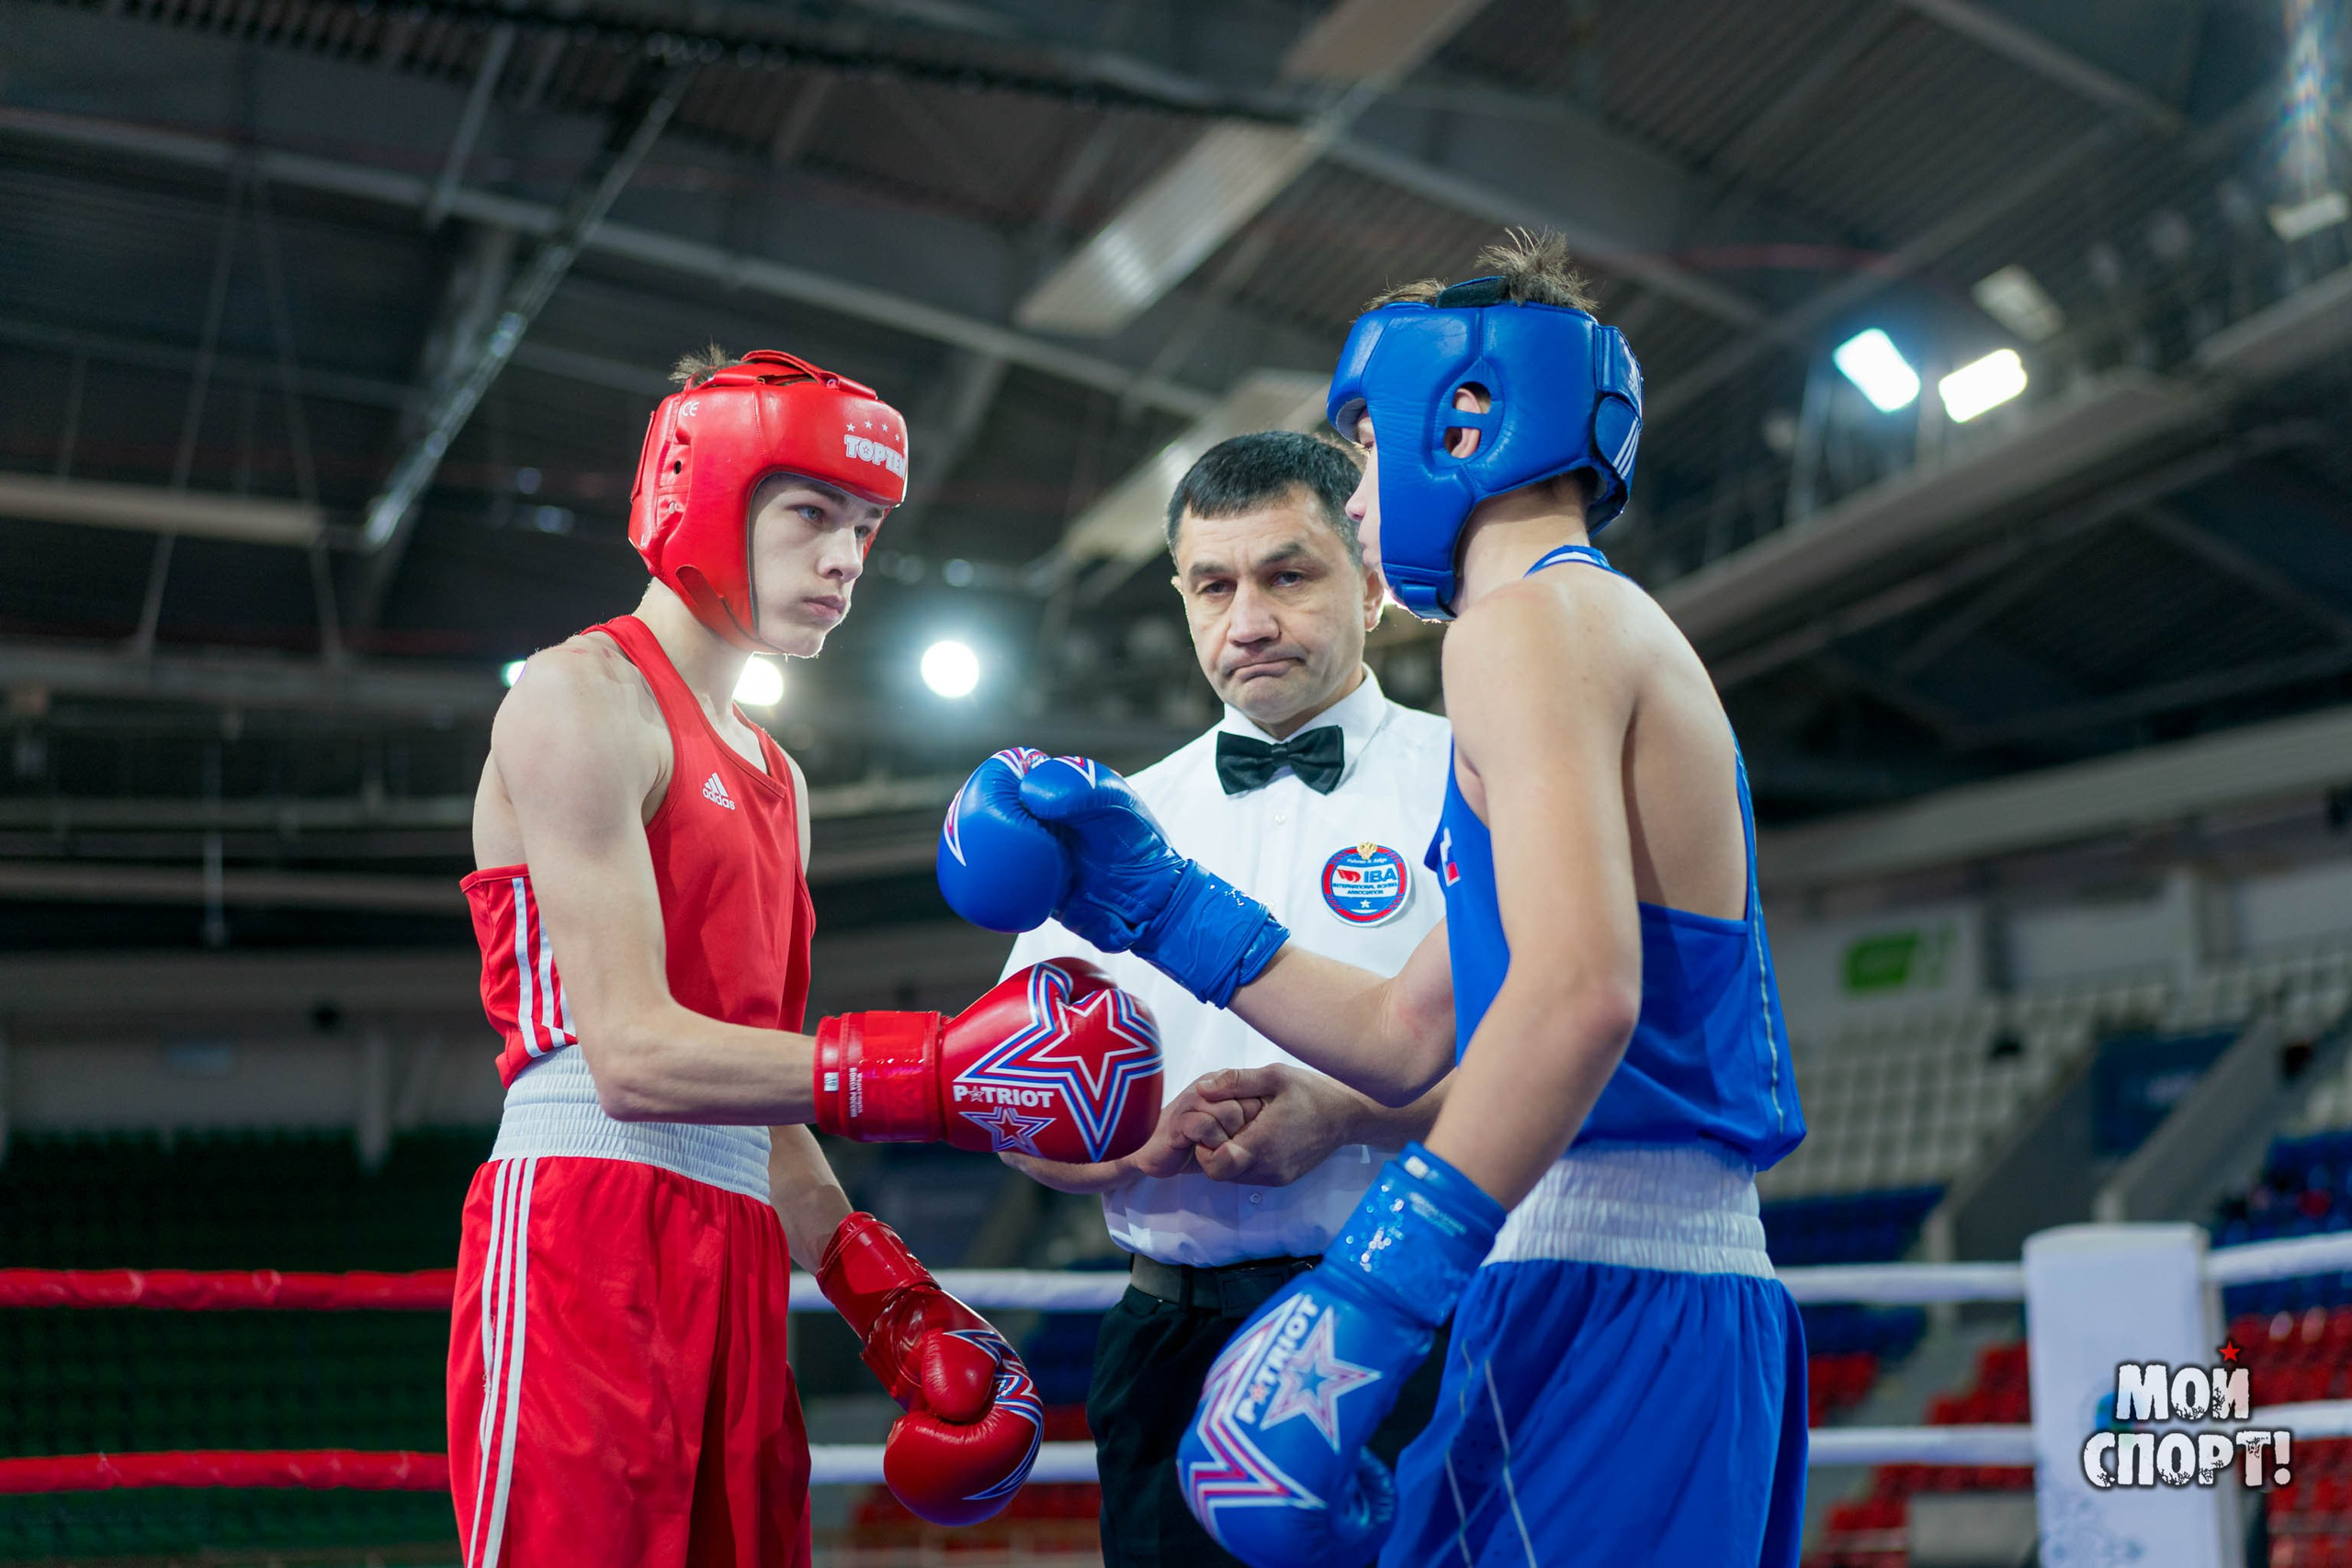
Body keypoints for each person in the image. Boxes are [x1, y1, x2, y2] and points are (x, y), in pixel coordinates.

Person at [939, 232, 1810, 1567]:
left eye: (1361, 439)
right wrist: (1159, 900)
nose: (1356, 496)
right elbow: (1413, 1028)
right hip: (1625, 1270)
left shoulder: (1523, 626)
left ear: (1462, 414)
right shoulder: (1580, 625)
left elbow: (1582, 995)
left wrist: (1371, 1282)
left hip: (1607, 1265)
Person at [449, 347, 1170, 1568]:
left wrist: (888, 1300)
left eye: (867, 526)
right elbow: (630, 1054)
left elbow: (775, 1107)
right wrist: (938, 1070)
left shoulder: (781, 777)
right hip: (586, 1226)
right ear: (705, 492)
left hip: (735, 1248)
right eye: (811, 514)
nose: (845, 558)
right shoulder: (582, 697)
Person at [981, 432, 1453, 1568]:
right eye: (1213, 585)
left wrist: (1350, 1115)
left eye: (1287, 575)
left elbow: (1573, 1057)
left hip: (1414, 1319)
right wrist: (1132, 1146)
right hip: (1169, 1337)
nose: (1247, 620)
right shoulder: (1110, 824)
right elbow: (1006, 1110)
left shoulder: (1476, 780)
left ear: (1372, 580)